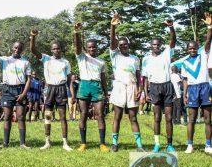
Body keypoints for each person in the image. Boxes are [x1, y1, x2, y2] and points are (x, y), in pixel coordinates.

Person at [30, 29, 73, 151]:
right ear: (51, 50)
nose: (56, 50)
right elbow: (33, 50)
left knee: (63, 117)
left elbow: (69, 80)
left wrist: (72, 95)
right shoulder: (46, 59)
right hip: (49, 89)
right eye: (54, 49)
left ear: (61, 50)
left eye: (58, 48)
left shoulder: (66, 62)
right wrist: (33, 36)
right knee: (47, 115)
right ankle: (47, 141)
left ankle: (65, 142)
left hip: (61, 89)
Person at [0, 32, 32, 149]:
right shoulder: (5, 60)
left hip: (20, 89)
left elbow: (28, 80)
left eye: (19, 48)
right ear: (12, 48)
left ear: (22, 50)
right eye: (15, 47)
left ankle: (22, 143)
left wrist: (23, 94)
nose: (17, 49)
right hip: (7, 89)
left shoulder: (26, 62)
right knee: (7, 116)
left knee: (21, 116)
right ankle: (5, 143)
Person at [108, 13, 144, 152]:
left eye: (125, 44)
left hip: (132, 88)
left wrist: (140, 88)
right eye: (120, 44)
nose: (123, 46)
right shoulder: (115, 55)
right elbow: (112, 41)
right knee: (117, 116)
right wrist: (113, 26)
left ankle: (139, 145)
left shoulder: (135, 59)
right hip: (119, 87)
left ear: (128, 45)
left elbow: (138, 74)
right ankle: (114, 144)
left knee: (133, 117)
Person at [142, 19, 177, 152]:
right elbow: (144, 78)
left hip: (167, 86)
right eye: (153, 45)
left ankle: (169, 144)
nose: (156, 46)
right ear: (150, 46)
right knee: (157, 117)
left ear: (161, 45)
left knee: (168, 117)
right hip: (154, 88)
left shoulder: (167, 53)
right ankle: (157, 144)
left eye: (158, 44)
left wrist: (171, 27)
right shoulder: (146, 59)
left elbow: (173, 41)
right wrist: (146, 93)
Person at [73, 23, 109, 152]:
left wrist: (106, 93)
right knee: (83, 114)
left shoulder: (101, 62)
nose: (92, 49)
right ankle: (83, 143)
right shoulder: (82, 57)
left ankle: (102, 143)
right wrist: (77, 32)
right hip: (84, 85)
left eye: (94, 47)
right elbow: (77, 47)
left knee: (100, 115)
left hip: (97, 86)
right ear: (86, 49)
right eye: (89, 47)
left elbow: (104, 78)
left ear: (96, 48)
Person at [182, 12, 212, 154]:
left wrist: (209, 26)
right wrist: (185, 94)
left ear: (198, 47)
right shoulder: (185, 62)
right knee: (191, 119)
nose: (192, 50)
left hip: (205, 87)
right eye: (190, 48)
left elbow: (208, 41)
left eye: (194, 47)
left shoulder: (204, 55)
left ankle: (208, 145)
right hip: (193, 89)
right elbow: (185, 80)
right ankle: (190, 145)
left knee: (207, 119)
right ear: (187, 49)